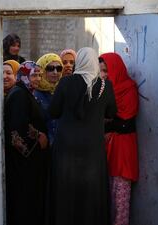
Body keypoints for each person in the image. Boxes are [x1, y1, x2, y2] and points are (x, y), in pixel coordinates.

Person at [48, 47, 117, 225]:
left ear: (79, 62)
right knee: (91, 190)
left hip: (66, 147)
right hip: (93, 148)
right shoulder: (105, 85)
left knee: (66, 188)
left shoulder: (65, 83)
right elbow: (112, 112)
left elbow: (53, 111)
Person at [4, 61, 49, 225]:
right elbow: (17, 127)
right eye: (34, 75)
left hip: (29, 161)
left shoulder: (25, 93)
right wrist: (39, 136)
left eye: (39, 74)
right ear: (24, 76)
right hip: (24, 162)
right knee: (25, 201)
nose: (37, 78)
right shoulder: (19, 95)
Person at [100, 52, 139, 225]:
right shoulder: (103, 89)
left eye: (106, 70)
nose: (103, 74)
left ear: (116, 69)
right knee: (108, 196)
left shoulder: (128, 89)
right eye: (100, 70)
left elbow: (126, 121)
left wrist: (108, 124)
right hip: (109, 147)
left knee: (120, 197)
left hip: (122, 149)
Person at [34, 53, 63, 146]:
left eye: (59, 68)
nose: (55, 72)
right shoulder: (35, 93)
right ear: (41, 70)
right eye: (50, 68)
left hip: (60, 145)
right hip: (42, 145)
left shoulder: (63, 90)